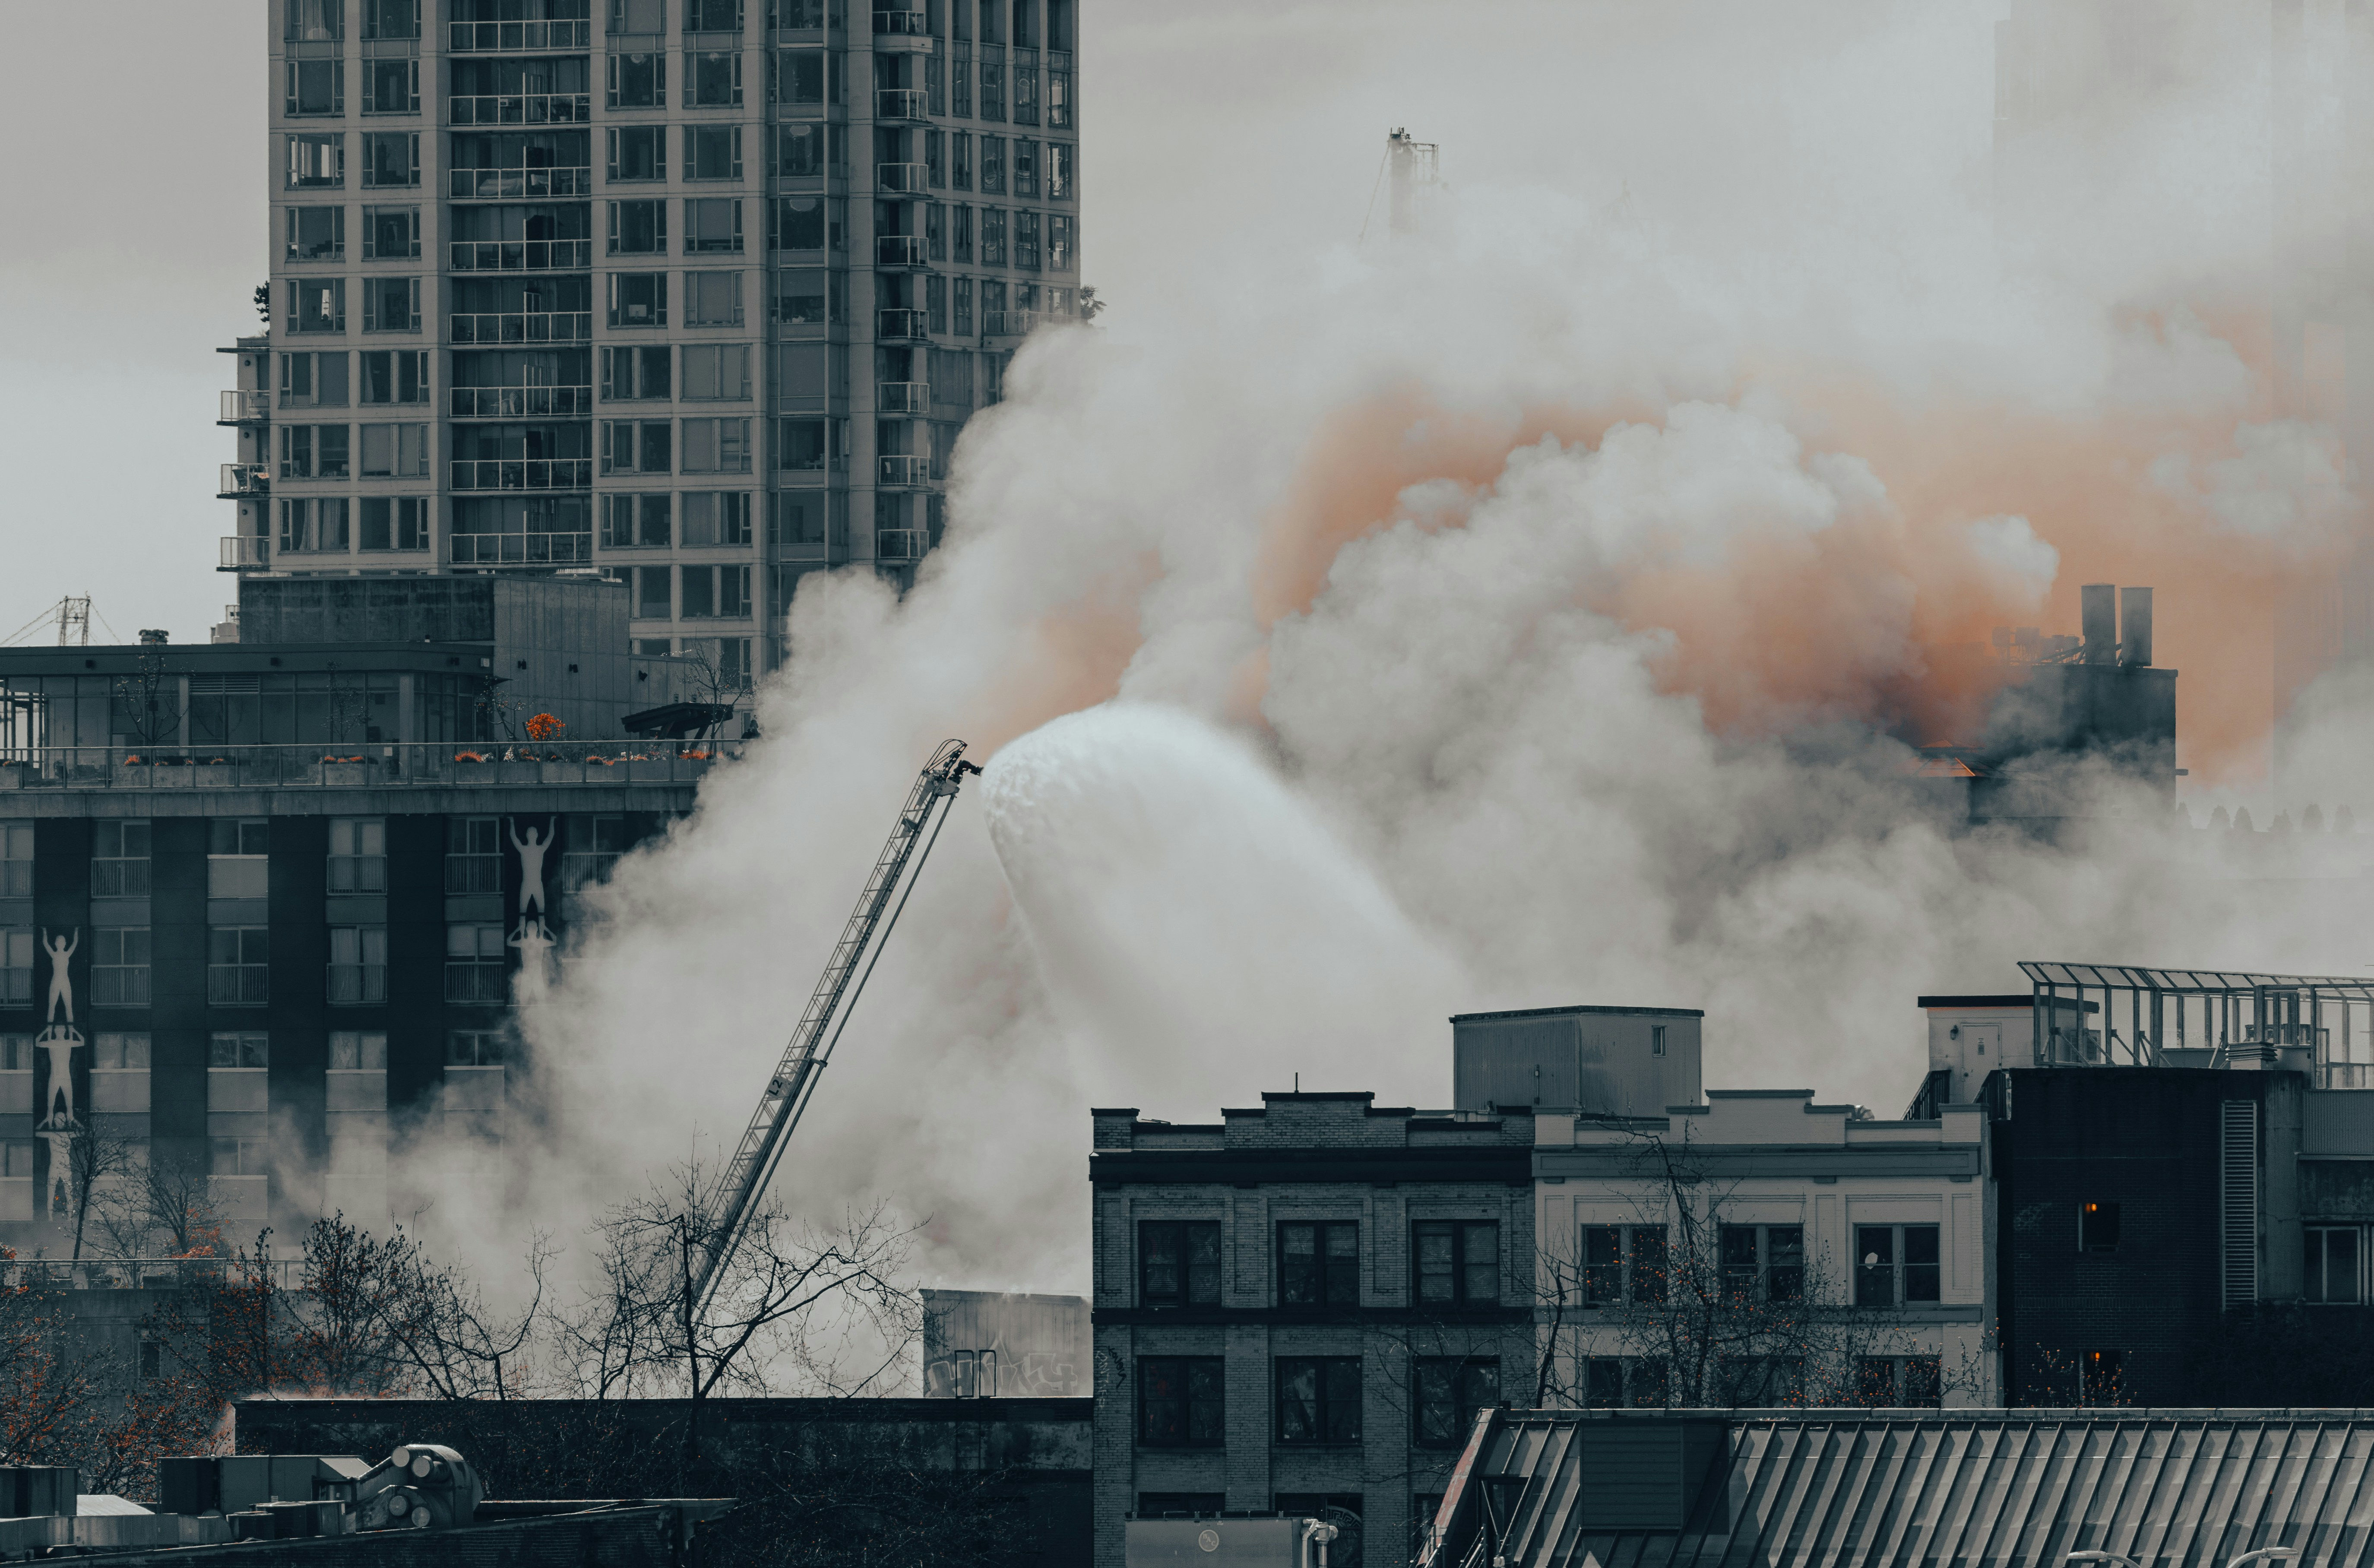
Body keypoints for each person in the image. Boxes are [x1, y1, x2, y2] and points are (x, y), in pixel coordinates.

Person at [510, 819, 552, 918]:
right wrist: (512, 822)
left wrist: (552, 821)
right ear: (527, 835)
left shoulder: (540, 849)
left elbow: (550, 836)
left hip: (537, 884)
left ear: (537, 835)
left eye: (534, 833)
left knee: (541, 913)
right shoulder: (523, 849)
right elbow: (513, 837)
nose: (532, 834)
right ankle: (522, 930)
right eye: (530, 833)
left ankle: (541, 931)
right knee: (522, 913)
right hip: (526, 884)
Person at [41, 928, 76, 1024]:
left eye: (62, 942)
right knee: (52, 1005)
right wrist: (44, 931)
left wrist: (76, 930)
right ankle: (49, 1027)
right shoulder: (54, 955)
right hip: (56, 981)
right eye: (58, 942)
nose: (60, 944)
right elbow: (46, 944)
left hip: (65, 981)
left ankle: (71, 1027)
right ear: (56, 943)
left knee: (69, 1006)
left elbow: (75, 943)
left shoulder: (67, 954)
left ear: (65, 944)